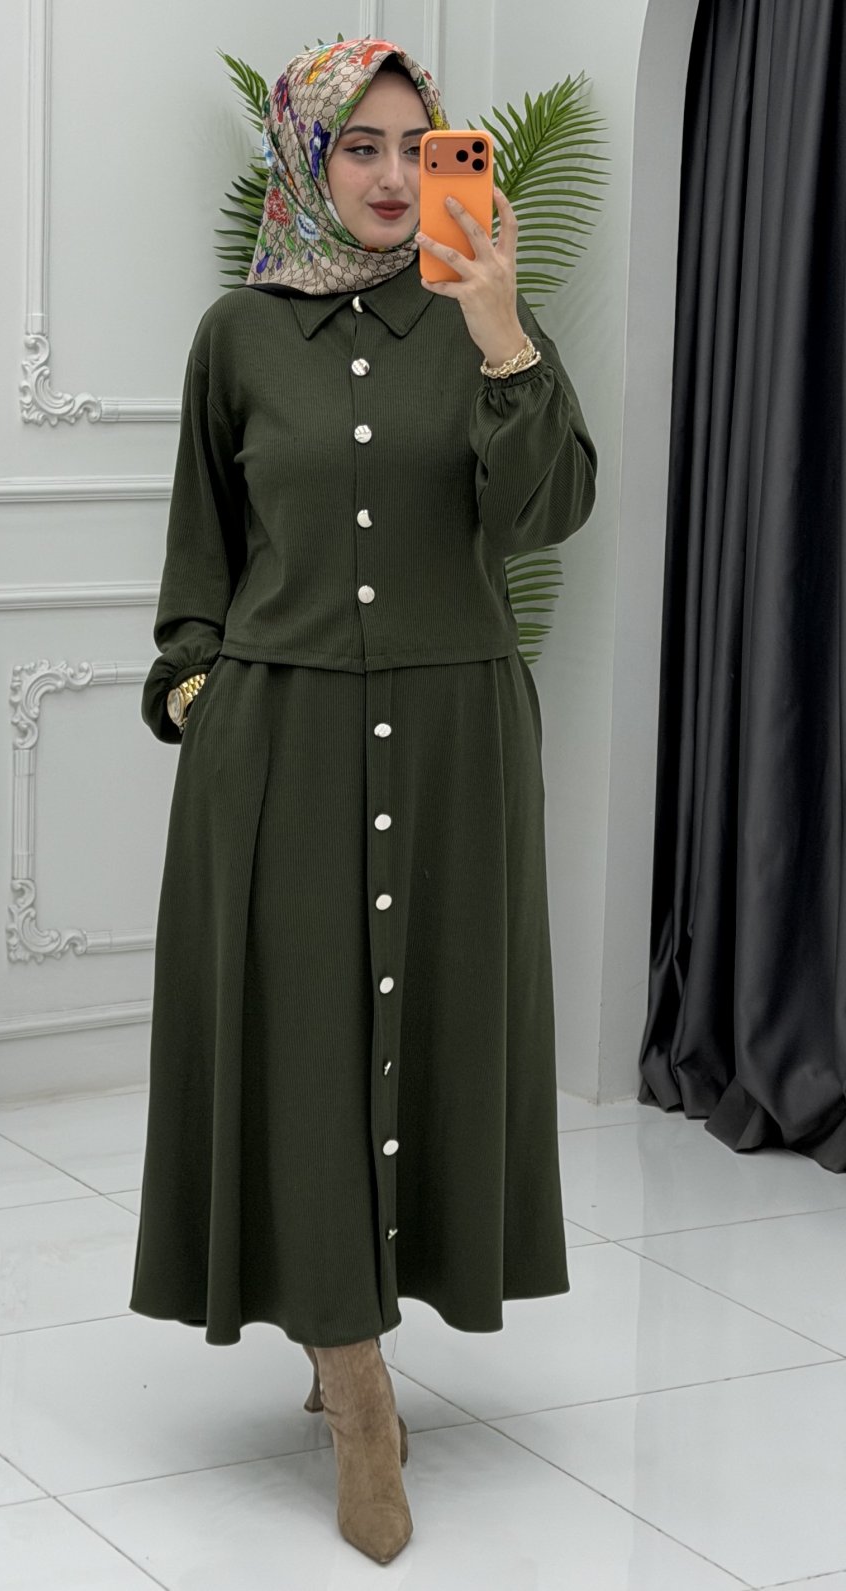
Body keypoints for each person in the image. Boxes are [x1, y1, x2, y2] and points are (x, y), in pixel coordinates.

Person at [130, 36, 597, 1565]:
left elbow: (549, 510)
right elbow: (201, 550)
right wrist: (197, 690)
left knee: (426, 1032)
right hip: (280, 741)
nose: (395, 176)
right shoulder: (236, 335)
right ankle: (360, 1397)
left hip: (459, 742)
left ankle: (350, 1334)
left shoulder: (484, 313)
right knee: (302, 1044)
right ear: (304, 157)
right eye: (360, 146)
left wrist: (502, 333)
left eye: (418, 144)